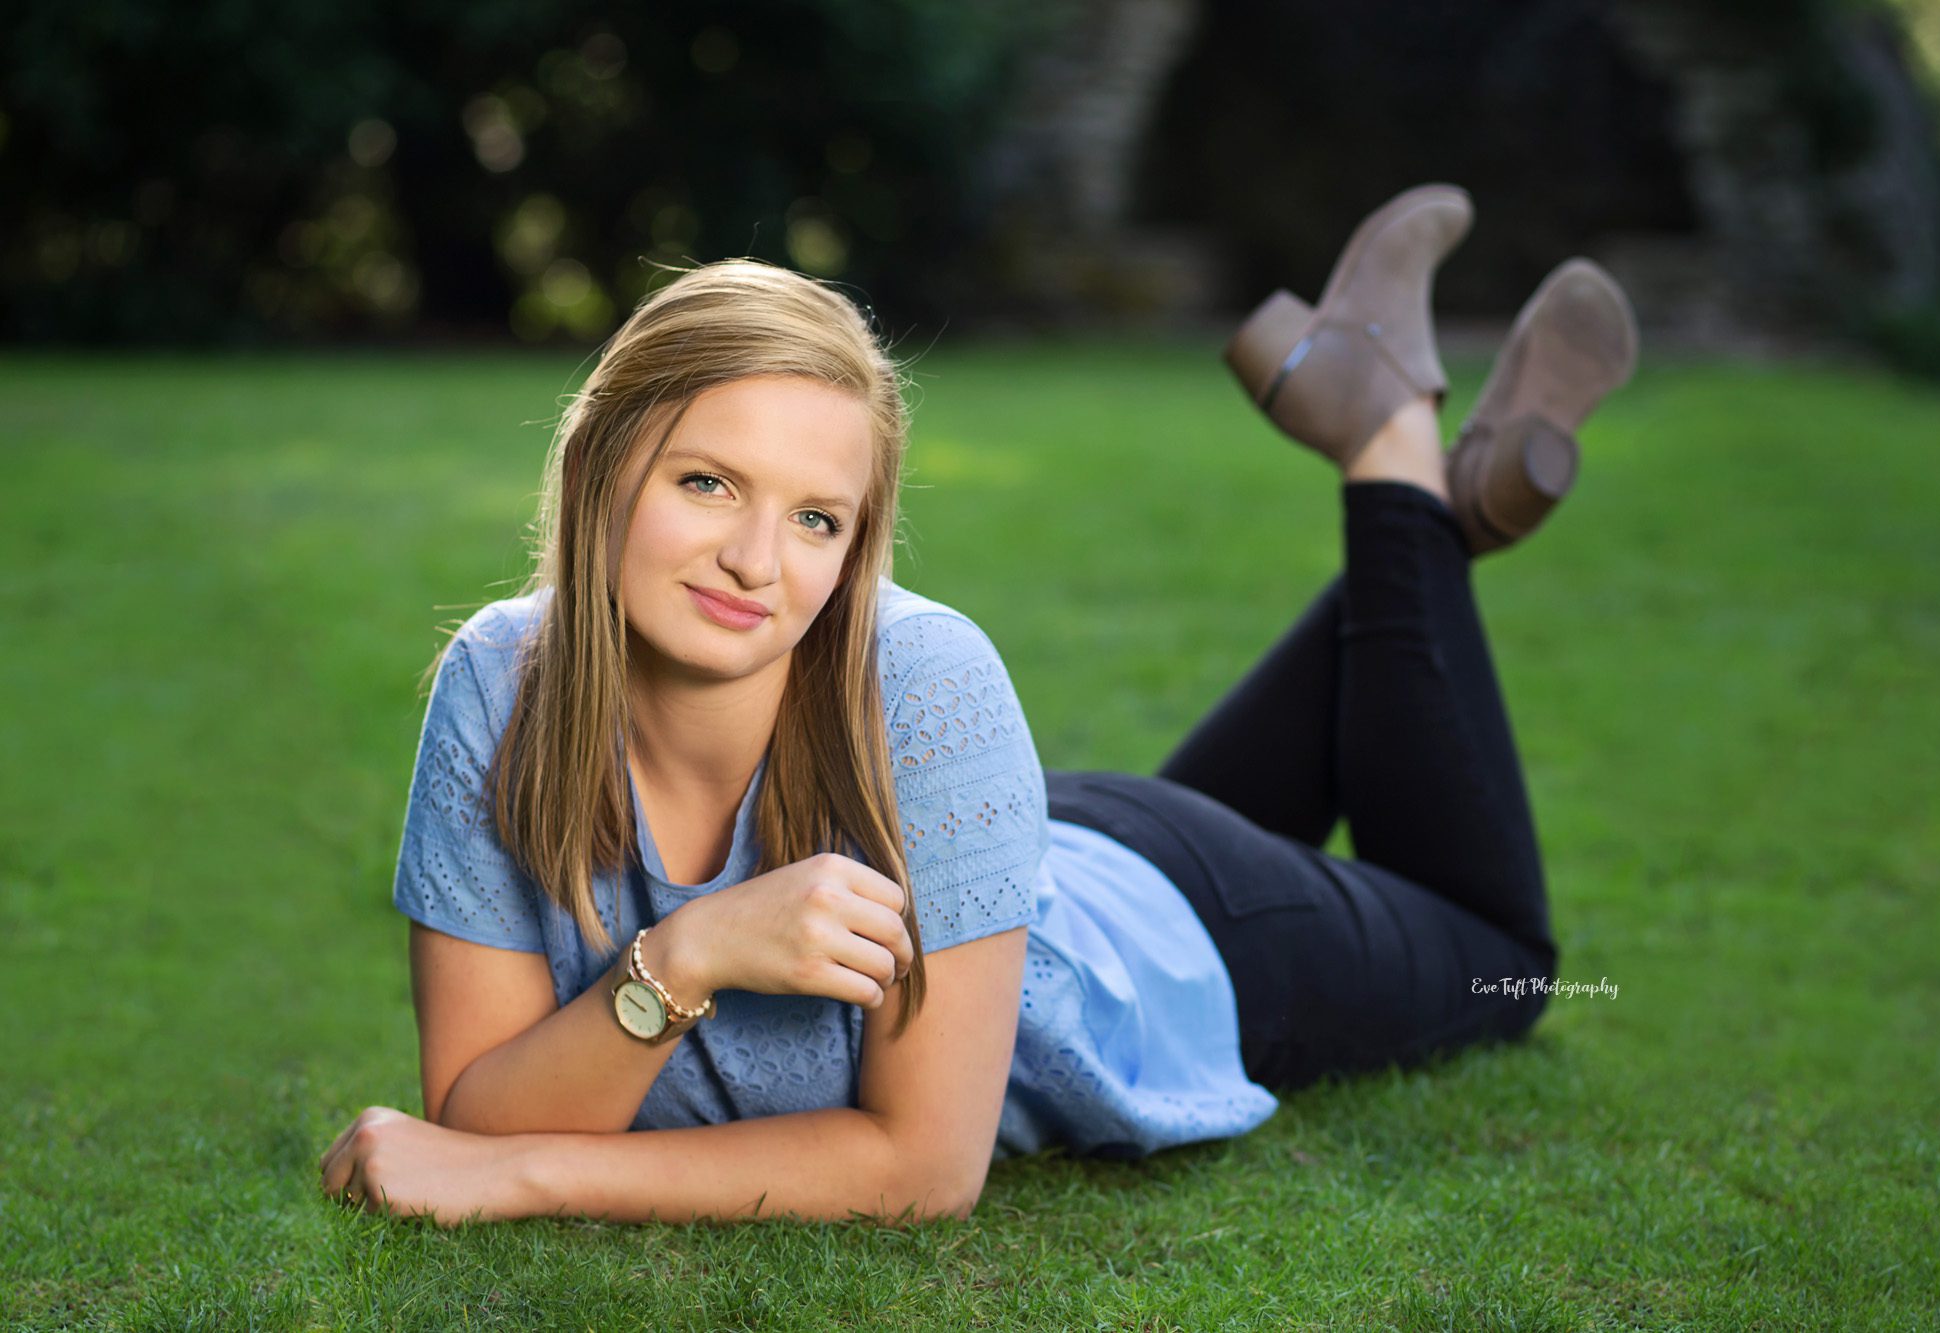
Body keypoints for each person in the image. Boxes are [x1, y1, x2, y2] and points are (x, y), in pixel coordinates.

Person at [317, 183, 1638, 1227]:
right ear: (604, 465)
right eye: (708, 483)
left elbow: (920, 1166)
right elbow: (472, 1113)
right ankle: (1429, 523)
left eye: (816, 516)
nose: (755, 563)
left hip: (1182, 933)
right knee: (1410, 715)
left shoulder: (925, 675)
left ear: (858, 544)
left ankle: (1391, 438)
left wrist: (538, 1177)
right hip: (1000, 853)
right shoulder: (501, 677)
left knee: (1505, 957)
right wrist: (687, 958)